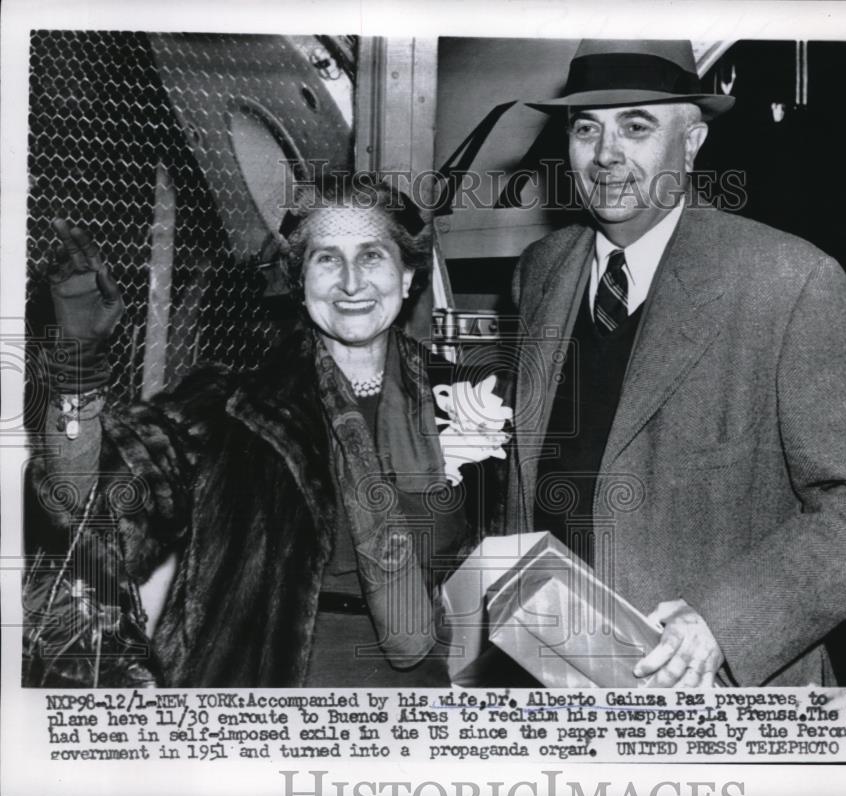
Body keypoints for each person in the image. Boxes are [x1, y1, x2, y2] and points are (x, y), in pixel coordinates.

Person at [506, 40, 846, 687]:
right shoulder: (541, 271)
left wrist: (723, 622)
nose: (605, 154)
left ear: (690, 143)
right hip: (554, 676)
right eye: (585, 128)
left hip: (716, 702)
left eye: (636, 126)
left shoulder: (791, 282)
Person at [24, 176, 508, 687]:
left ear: (407, 275)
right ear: (300, 281)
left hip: (416, 704)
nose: (350, 282)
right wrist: (80, 364)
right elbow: (83, 498)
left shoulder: (470, 405)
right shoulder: (230, 411)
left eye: (371, 256)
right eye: (326, 258)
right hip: (263, 696)